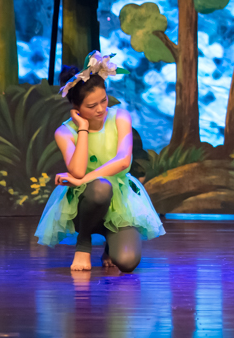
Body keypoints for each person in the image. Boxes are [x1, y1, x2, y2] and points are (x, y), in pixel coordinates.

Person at [35, 52, 164, 272]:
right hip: (85, 200)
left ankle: (109, 245)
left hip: (120, 199)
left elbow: (123, 161)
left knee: (127, 262)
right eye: (92, 105)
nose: (101, 109)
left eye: (103, 100)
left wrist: (83, 178)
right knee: (101, 188)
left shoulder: (120, 117)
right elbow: (77, 171)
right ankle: (83, 243)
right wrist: (83, 129)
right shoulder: (64, 132)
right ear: (76, 109)